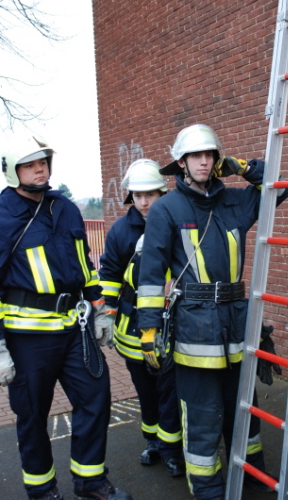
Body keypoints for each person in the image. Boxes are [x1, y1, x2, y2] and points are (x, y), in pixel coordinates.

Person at [136, 123, 288, 500]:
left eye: (210, 155)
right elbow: (152, 274)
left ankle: (252, 471)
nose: (204, 162)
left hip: (237, 320)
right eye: (195, 156)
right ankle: (207, 488)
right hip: (194, 324)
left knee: (243, 404)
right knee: (203, 412)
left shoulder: (236, 200)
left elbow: (279, 187)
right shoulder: (166, 209)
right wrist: (148, 330)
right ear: (181, 163)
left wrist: (241, 167)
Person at [0, 135, 132, 500]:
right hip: (26, 339)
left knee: (96, 397)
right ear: (13, 171)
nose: (40, 169)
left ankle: (90, 482)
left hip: (75, 329)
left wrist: (101, 310)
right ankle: (42, 491)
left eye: (43, 162)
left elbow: (85, 265)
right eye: (30, 164)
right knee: (32, 416)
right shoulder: (2, 214)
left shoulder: (66, 208)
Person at [98, 159, 185, 477]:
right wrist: (105, 314)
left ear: (163, 192)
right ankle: (153, 442)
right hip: (132, 329)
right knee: (146, 393)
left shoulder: (180, 223)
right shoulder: (121, 231)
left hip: (172, 325)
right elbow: (109, 275)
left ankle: (172, 450)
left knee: (170, 392)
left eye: (151, 194)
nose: (145, 202)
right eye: (138, 195)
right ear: (130, 198)